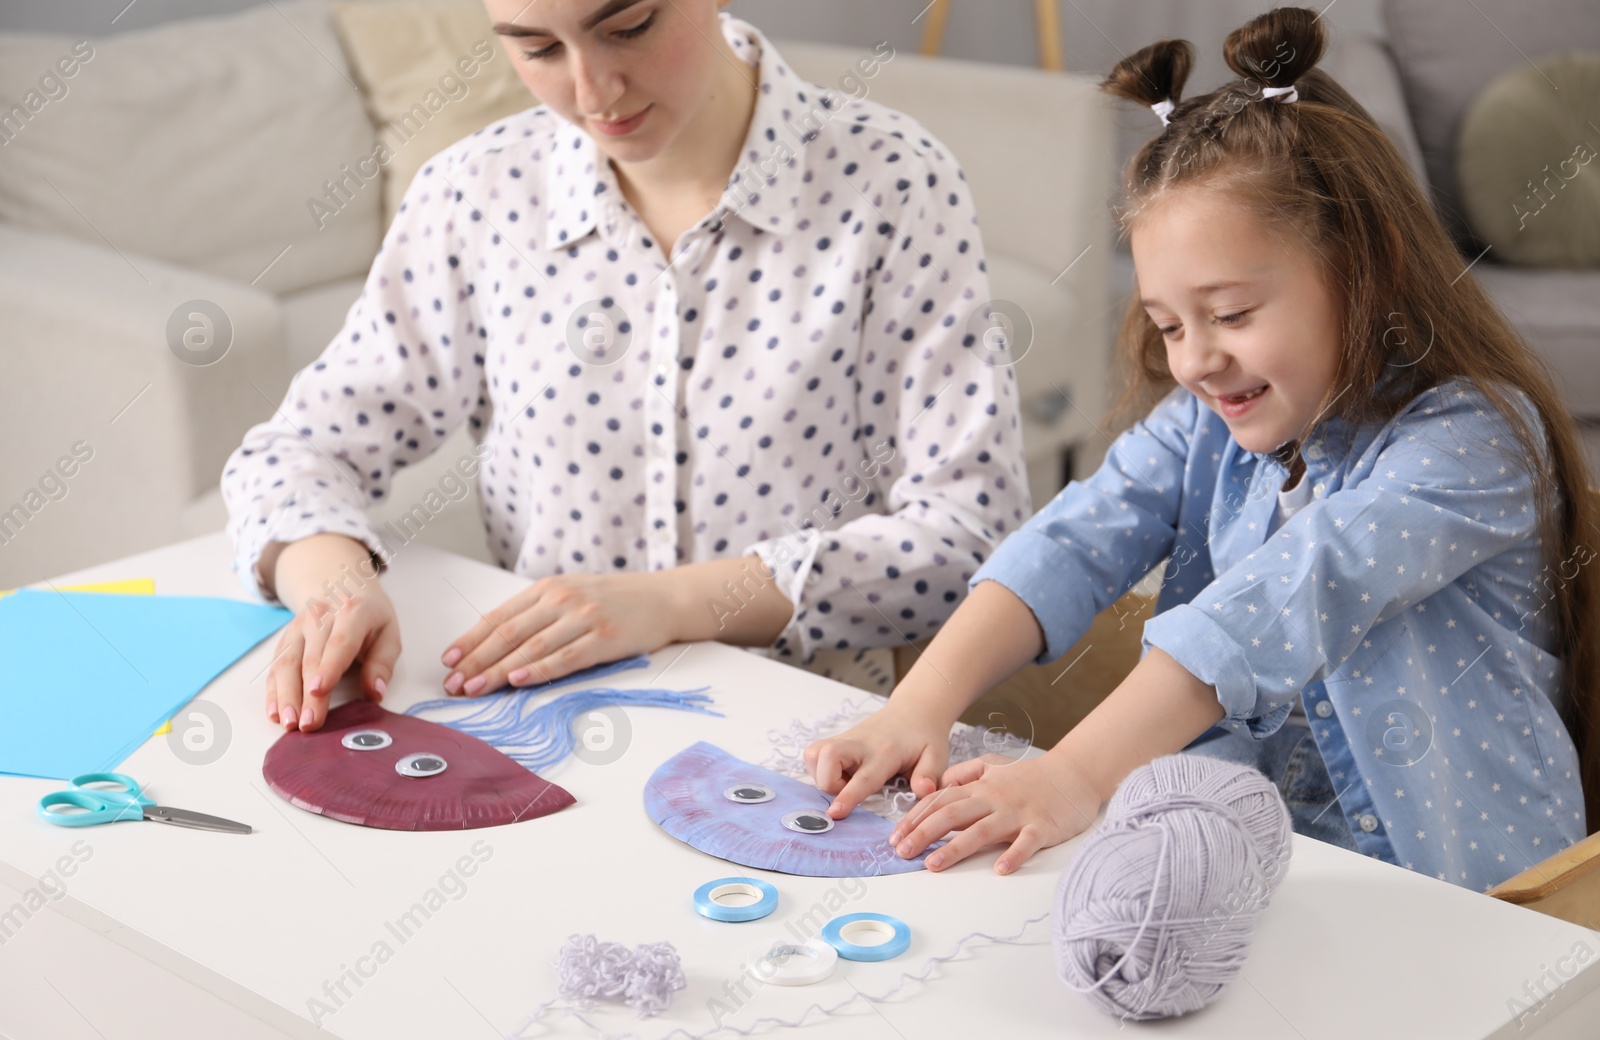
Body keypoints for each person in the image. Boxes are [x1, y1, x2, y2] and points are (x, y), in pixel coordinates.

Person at [804, 6, 1600, 892]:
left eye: (1230, 315)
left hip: (1474, 899)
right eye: (1168, 324)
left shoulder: (1473, 443)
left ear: (1363, 268)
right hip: (1277, 866)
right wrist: (918, 706)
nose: (1194, 359)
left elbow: (1284, 598)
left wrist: (1071, 774)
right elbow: (1070, 540)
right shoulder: (1201, 424)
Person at [221, 0, 1030, 732]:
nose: (594, 89)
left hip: (810, 744)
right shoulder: (476, 194)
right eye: (537, 48)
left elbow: (971, 539)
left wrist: (672, 604)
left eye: (629, 26)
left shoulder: (893, 181)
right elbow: (295, 452)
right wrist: (335, 583)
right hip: (535, 732)